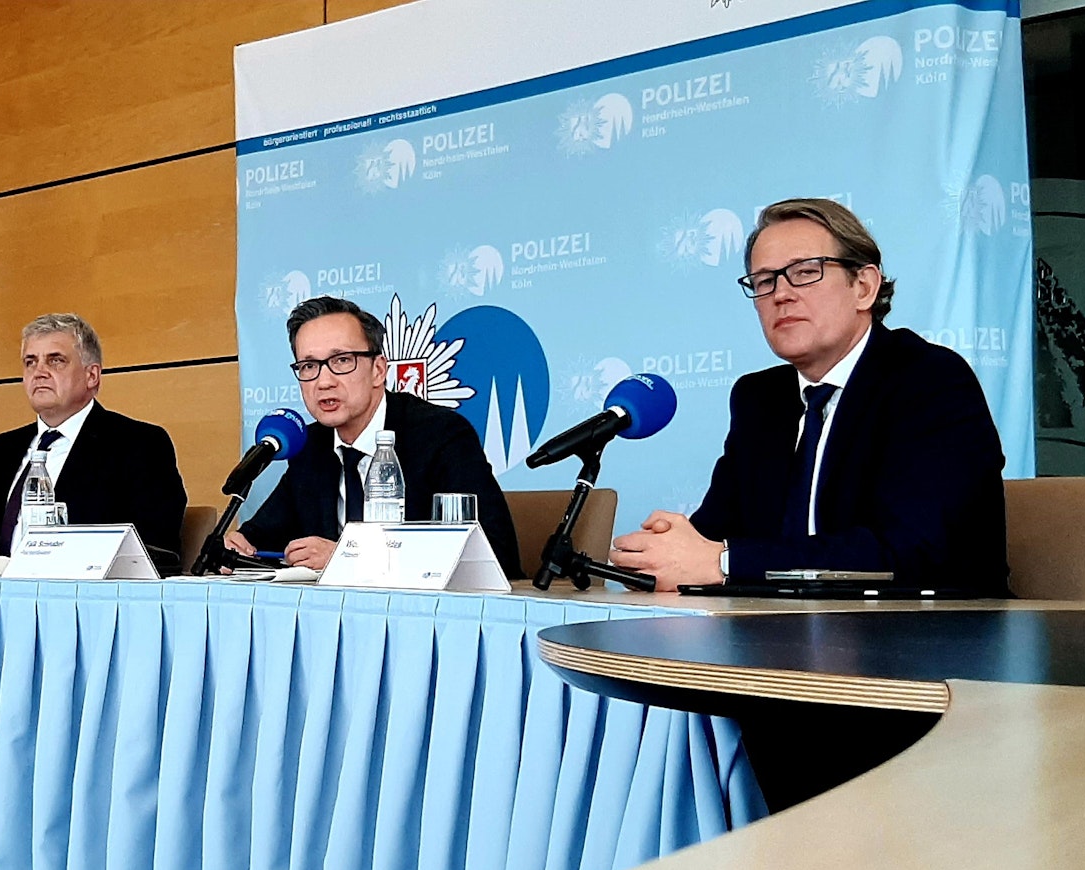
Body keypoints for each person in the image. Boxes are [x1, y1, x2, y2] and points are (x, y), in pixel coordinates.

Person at [608, 198, 1008, 593]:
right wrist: (666, 551)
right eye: (765, 281)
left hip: (926, 640)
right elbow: (715, 533)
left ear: (864, 287)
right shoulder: (760, 399)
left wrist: (722, 562)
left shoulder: (929, 381)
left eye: (805, 272)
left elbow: (910, 551)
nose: (781, 294)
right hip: (777, 636)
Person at [226, 297, 524, 577]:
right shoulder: (309, 446)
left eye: (342, 361)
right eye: (309, 366)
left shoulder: (440, 435)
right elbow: (260, 539)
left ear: (378, 370)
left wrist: (351, 558)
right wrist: (238, 546)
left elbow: (495, 556)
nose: (324, 381)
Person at [0, 314, 189, 566]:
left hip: (85, 599)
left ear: (91, 376)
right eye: (30, 362)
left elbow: (154, 548)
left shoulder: (139, 444)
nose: (39, 372)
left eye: (56, 361)